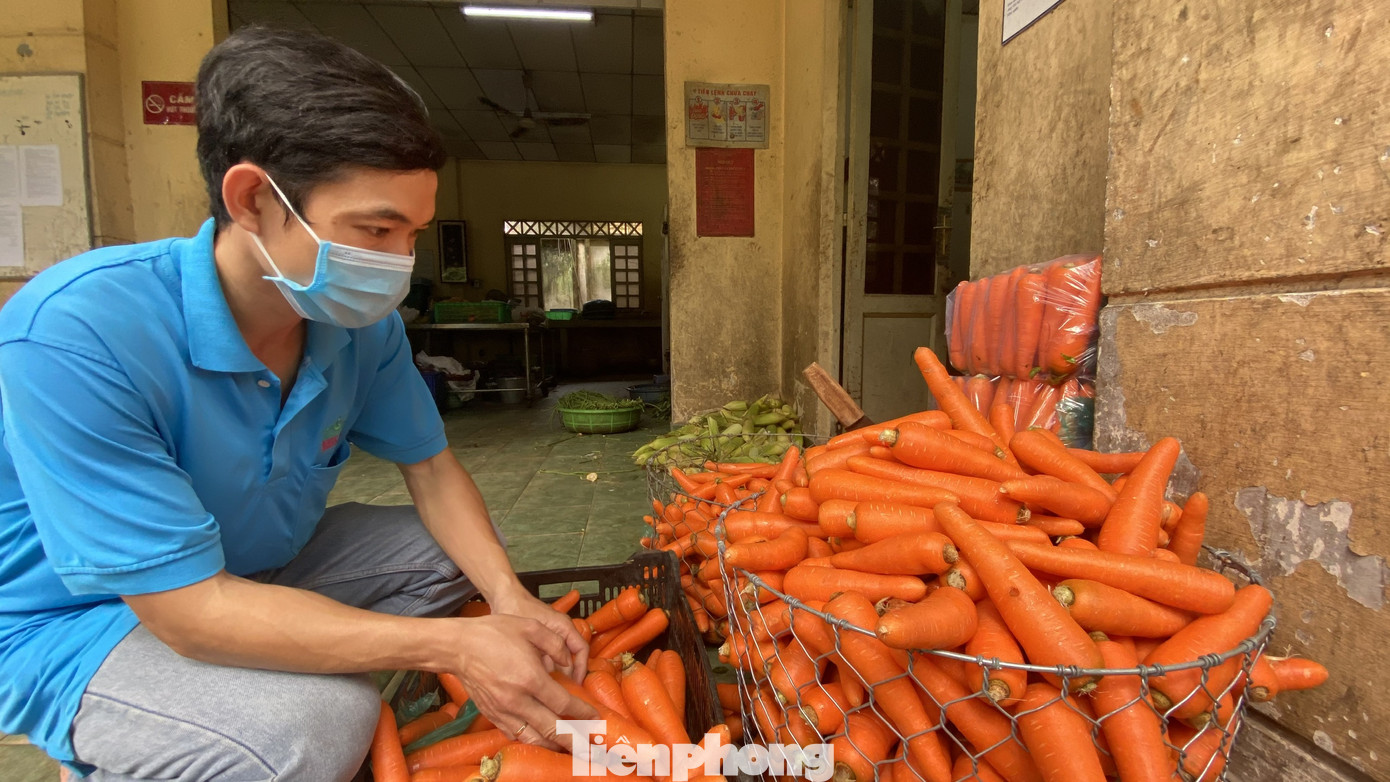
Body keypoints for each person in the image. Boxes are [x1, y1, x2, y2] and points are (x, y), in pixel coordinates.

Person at [0, 26, 593, 780]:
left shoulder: (354, 324)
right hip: (88, 620)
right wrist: (451, 647)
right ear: (251, 198)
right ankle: (134, 742)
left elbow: (434, 471)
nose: (396, 264)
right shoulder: (77, 333)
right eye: (374, 229)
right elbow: (187, 611)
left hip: (253, 570)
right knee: (320, 723)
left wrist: (506, 598)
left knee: (467, 559)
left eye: (410, 234)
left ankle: (245, 686)